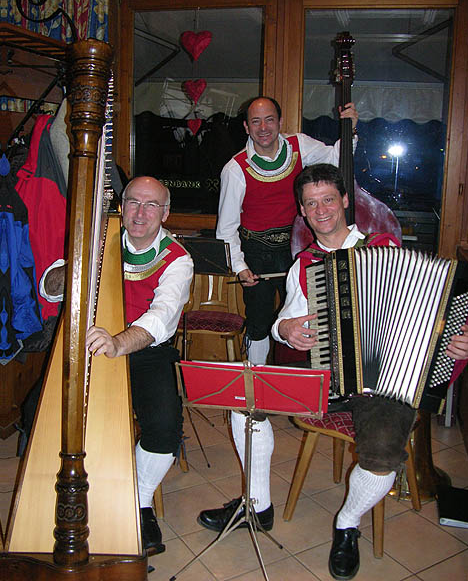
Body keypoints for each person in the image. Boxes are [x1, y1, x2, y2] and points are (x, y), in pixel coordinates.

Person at [271, 164, 468, 580]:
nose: (321, 210)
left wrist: (458, 338)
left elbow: (437, 310)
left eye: (328, 199)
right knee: (244, 403)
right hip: (328, 378)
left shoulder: (386, 249)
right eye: (311, 203)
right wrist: (286, 329)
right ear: (302, 211)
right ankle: (256, 505)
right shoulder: (304, 265)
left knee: (381, 455)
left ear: (345, 201)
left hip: (387, 385)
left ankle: (347, 523)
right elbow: (284, 320)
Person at [198, 98, 357, 535]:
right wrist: (239, 267)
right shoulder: (235, 169)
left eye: (270, 119)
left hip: (296, 240)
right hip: (255, 251)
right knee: (260, 325)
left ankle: (327, 378)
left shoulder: (301, 145)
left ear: (280, 122)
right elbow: (226, 228)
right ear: (246, 127)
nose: (264, 127)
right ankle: (260, 386)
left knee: (312, 308)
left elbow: (336, 157)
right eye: (256, 121)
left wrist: (349, 129)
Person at [41, 176, 193, 556]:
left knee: (164, 427)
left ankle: (139, 501)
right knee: (36, 415)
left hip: (145, 349)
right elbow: (48, 289)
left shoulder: (178, 259)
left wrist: (118, 342)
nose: (140, 213)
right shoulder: (101, 239)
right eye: (133, 203)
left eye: (151, 205)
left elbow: (161, 318)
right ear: (121, 206)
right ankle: (54, 494)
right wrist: (80, 261)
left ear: (165, 213)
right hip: (91, 342)